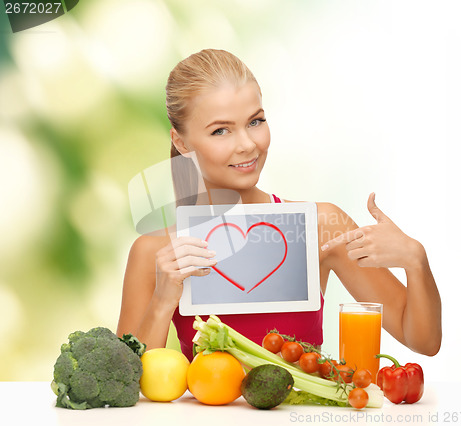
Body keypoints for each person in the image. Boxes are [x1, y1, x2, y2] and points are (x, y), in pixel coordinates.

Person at [116, 49, 441, 360]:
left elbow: (423, 341)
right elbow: (123, 382)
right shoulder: (157, 253)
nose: (247, 144)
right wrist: (162, 301)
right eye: (220, 131)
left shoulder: (321, 225)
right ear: (181, 141)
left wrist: (415, 260)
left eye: (255, 121)